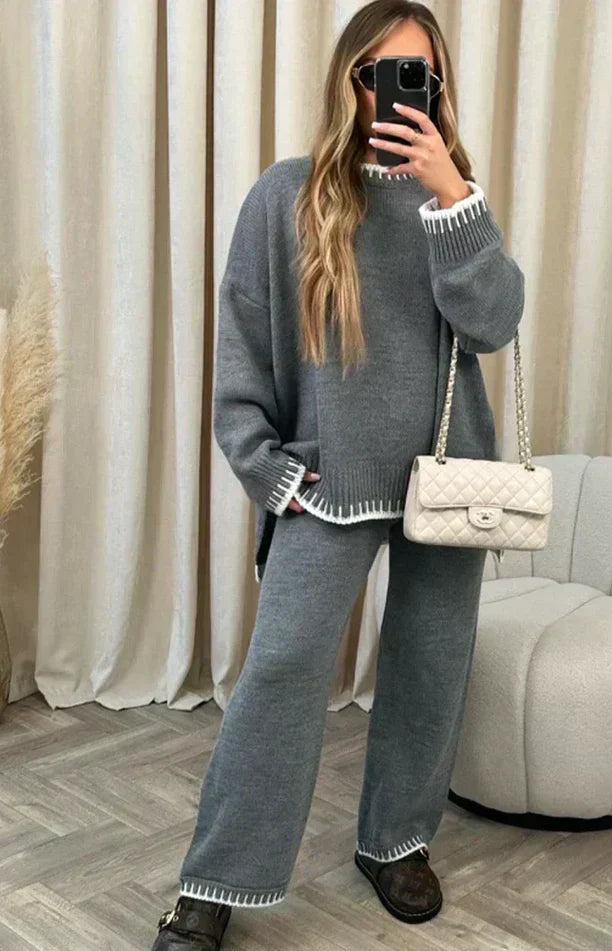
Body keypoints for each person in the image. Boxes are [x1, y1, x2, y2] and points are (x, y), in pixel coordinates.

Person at [151, 1, 524, 948]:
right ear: (346, 81)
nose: (392, 93)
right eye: (375, 73)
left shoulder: (454, 200)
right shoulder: (286, 194)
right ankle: (217, 878)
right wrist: (270, 472)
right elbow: (241, 355)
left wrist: (452, 198)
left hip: (448, 478)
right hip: (328, 483)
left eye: (416, 75)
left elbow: (493, 324)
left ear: (439, 88)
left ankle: (395, 840)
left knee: (431, 664)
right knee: (281, 667)